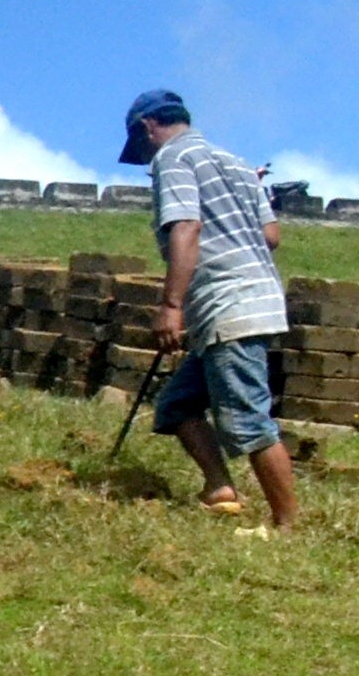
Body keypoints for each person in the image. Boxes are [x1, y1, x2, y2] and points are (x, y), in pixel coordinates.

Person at [124, 87, 299, 529]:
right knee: (178, 405)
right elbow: (272, 236)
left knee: (247, 420)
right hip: (254, 300)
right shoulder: (238, 165)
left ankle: (286, 527)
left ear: (148, 127)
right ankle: (220, 488)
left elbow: (186, 225)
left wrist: (170, 305)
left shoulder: (172, 160)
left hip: (229, 305)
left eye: (141, 144)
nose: (145, 156)